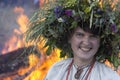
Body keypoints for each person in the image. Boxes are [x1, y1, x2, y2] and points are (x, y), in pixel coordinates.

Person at [25, 0, 120, 80]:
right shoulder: (56, 70)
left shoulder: (108, 76)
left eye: (93, 36)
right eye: (80, 35)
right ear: (69, 38)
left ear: (100, 42)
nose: (86, 42)